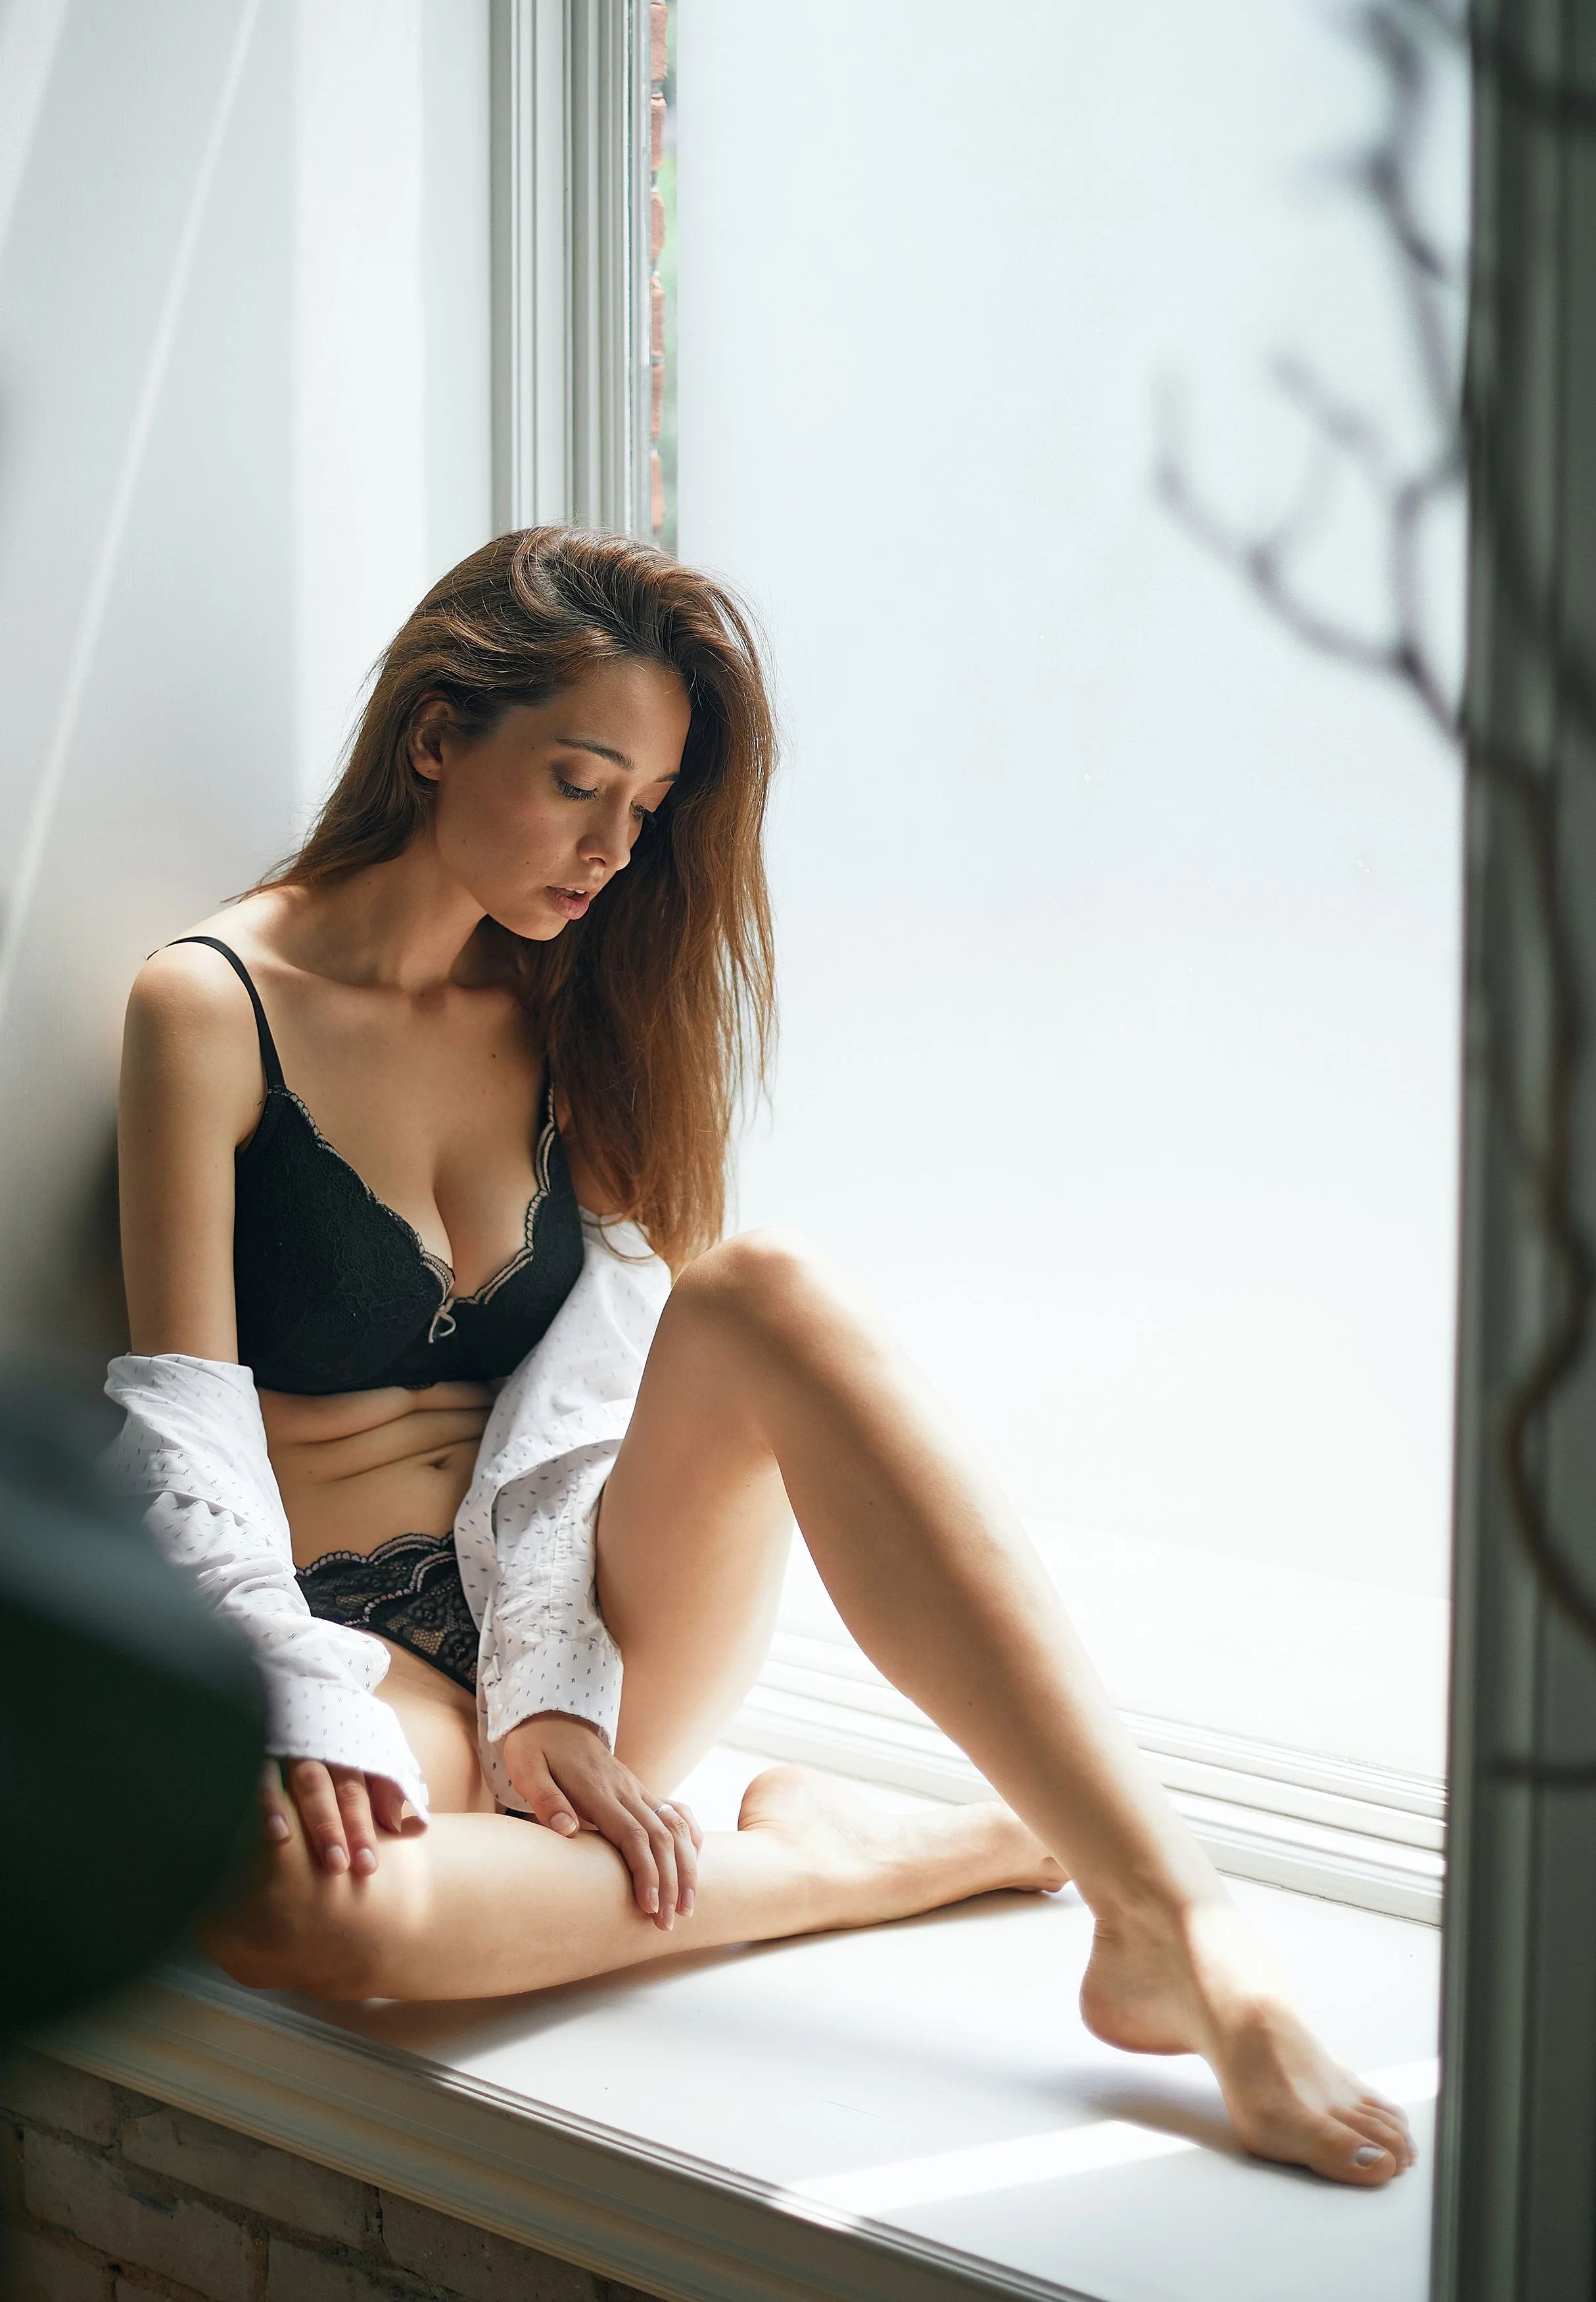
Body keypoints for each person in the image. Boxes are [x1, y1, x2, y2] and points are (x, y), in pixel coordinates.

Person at [110, 527, 1414, 2188]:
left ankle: (1180, 1928)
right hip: (359, 1663)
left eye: (642, 810)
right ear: (437, 732)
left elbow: (590, 1399)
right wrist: (286, 1702)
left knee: (767, 1289)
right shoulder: (212, 1003)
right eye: (579, 783)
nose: (608, 847)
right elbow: (186, 1426)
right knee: (295, 1909)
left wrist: (558, 1694)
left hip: (578, 1629)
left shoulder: (577, 1012)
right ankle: (841, 1867)